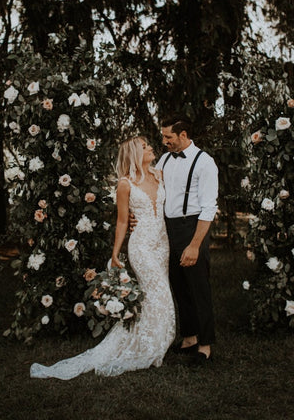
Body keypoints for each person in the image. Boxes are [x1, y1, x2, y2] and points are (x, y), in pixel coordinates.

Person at [30, 136, 175, 379]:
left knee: (153, 296)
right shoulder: (125, 184)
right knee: (161, 293)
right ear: (134, 154)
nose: (151, 147)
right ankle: (154, 346)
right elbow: (121, 220)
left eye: (149, 145)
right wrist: (115, 253)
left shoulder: (159, 175)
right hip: (141, 247)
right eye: (145, 146)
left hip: (163, 245)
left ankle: (151, 340)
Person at [155, 114, 218, 365]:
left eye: (168, 136)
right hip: (169, 228)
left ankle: (205, 345)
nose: (164, 141)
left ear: (183, 135)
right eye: (163, 136)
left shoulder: (205, 163)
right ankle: (189, 337)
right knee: (179, 284)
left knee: (198, 286)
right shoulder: (164, 159)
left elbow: (208, 207)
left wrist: (194, 244)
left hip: (193, 227)